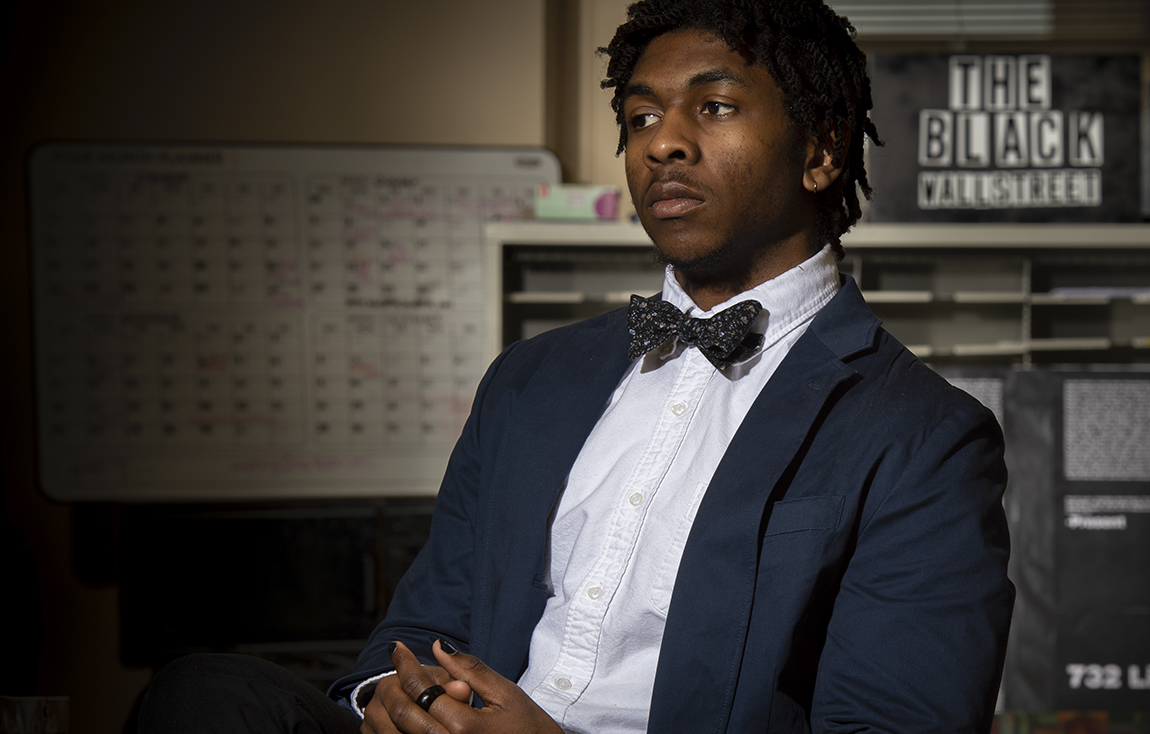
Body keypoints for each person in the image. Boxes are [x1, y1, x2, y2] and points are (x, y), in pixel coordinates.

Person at [140, 1, 1012, 732]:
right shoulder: (530, 377)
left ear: (821, 151)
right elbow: (423, 618)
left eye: (711, 108)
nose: (660, 143)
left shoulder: (922, 434)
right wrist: (393, 697)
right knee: (205, 692)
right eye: (639, 118)